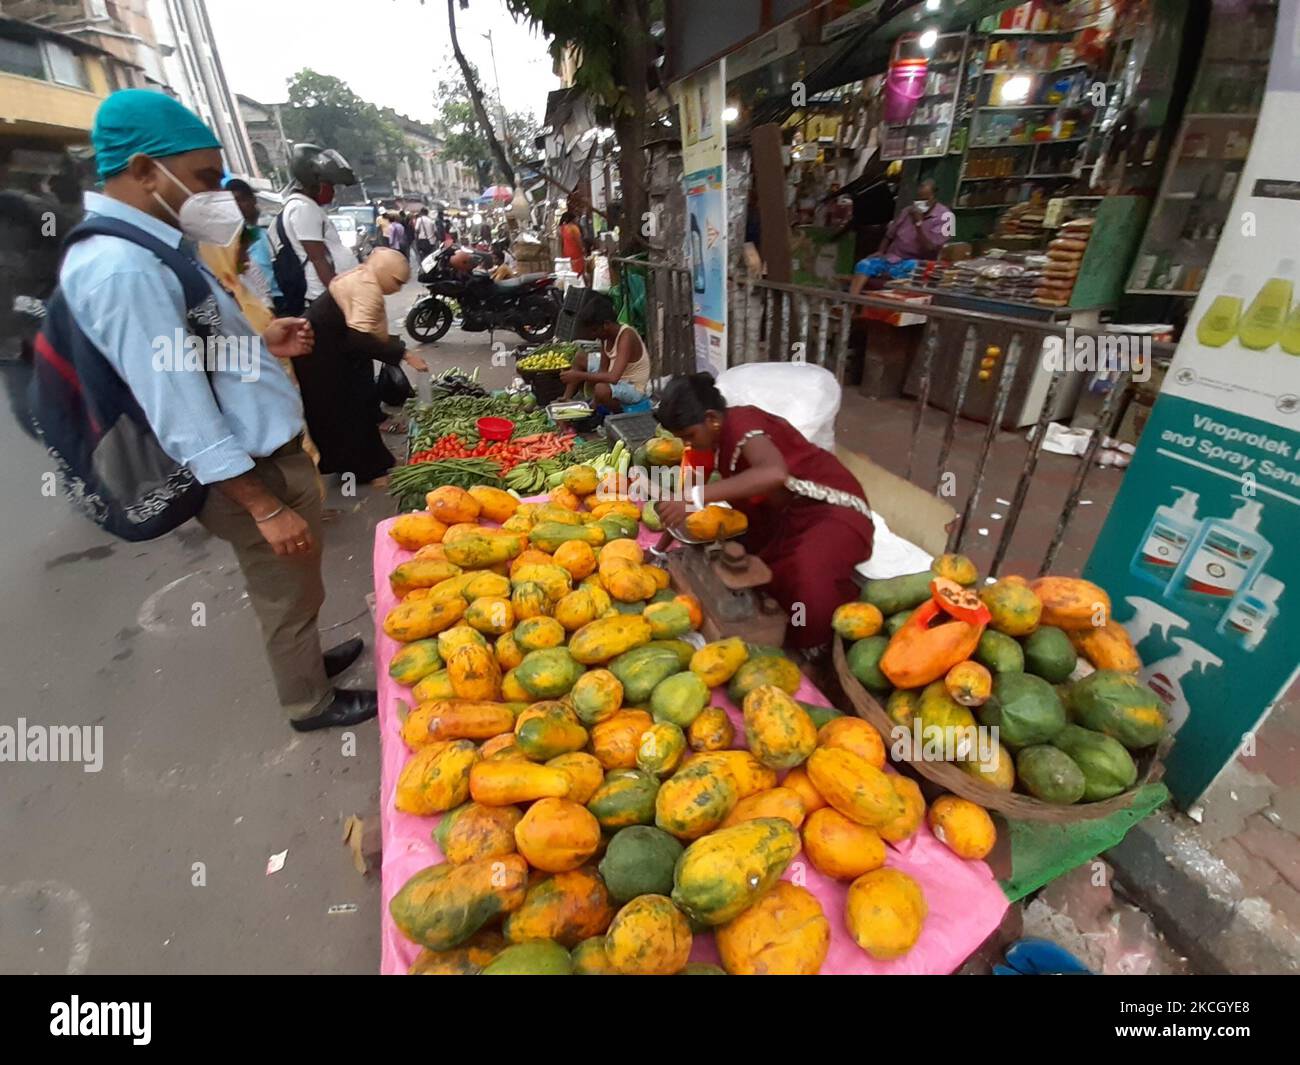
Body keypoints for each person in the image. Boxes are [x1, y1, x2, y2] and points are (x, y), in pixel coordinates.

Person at [61, 89, 376, 730]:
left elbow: (190, 349)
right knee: (283, 589)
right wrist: (261, 505)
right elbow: (177, 408)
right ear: (147, 170)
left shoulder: (151, 246)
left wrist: (259, 341)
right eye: (204, 177)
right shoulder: (123, 268)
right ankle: (308, 702)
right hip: (250, 470)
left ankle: (308, 663)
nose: (213, 192)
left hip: (266, 453)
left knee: (298, 584)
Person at [653, 374, 875, 652]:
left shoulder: (743, 424)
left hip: (830, 509)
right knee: (759, 567)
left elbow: (774, 473)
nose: (687, 444)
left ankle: (815, 646)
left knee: (805, 575)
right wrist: (659, 550)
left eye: (689, 436)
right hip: (782, 516)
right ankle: (784, 629)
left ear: (712, 419)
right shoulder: (706, 443)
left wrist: (697, 497)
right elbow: (683, 505)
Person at [297, 248, 426, 485]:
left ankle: (362, 464)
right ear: (384, 272)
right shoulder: (367, 288)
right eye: (397, 283)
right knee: (347, 413)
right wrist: (404, 353)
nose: (398, 289)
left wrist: (394, 345)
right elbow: (360, 338)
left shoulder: (364, 277)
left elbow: (364, 332)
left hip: (334, 351)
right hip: (322, 356)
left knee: (356, 406)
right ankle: (368, 472)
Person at [268, 145, 357, 314]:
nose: (332, 191)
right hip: (322, 297)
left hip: (324, 296)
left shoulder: (303, 206)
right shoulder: (303, 209)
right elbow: (318, 259)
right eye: (329, 184)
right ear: (314, 182)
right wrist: (339, 297)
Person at [849, 178, 953, 294]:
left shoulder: (947, 217)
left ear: (935, 197)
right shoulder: (907, 211)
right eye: (919, 199)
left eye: (926, 199)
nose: (921, 203)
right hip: (894, 258)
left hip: (919, 263)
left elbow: (931, 248)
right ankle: (851, 303)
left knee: (914, 269)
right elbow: (889, 235)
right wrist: (881, 251)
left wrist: (918, 224)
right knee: (864, 264)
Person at [559, 292, 649, 413]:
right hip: (617, 378)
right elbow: (603, 370)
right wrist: (593, 403)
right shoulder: (605, 337)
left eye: (595, 330)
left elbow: (613, 377)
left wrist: (579, 375)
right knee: (580, 357)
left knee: (601, 389)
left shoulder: (627, 336)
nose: (593, 335)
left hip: (633, 387)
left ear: (606, 324)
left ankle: (619, 412)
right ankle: (566, 399)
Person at [559, 210, 586, 277]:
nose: (577, 219)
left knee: (570, 270)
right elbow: (579, 241)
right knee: (578, 270)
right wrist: (583, 249)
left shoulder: (563, 228)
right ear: (572, 219)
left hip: (566, 252)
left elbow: (561, 241)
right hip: (576, 252)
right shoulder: (574, 228)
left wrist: (562, 252)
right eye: (576, 218)